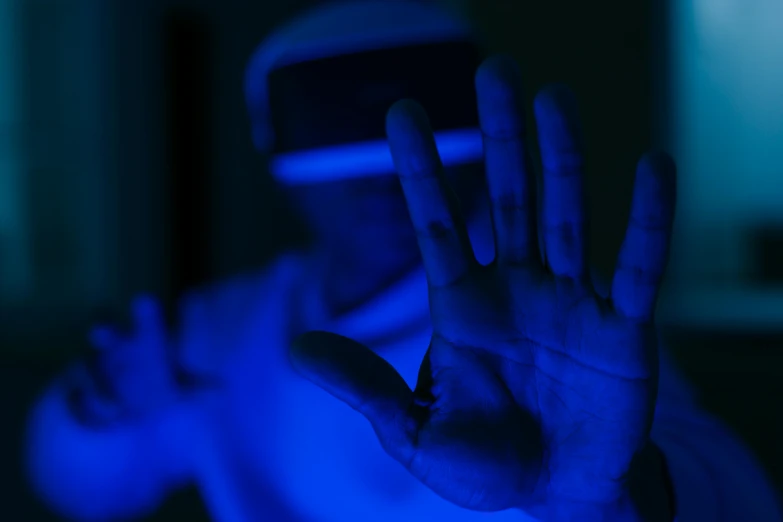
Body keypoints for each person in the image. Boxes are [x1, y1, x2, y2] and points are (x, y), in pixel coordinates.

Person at [24, 2, 781, 521]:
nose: (380, 179)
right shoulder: (224, 330)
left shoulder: (550, 330)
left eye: (411, 140)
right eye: (338, 146)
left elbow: (737, 493)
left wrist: (616, 496)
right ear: (280, 156)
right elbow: (83, 492)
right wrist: (99, 414)